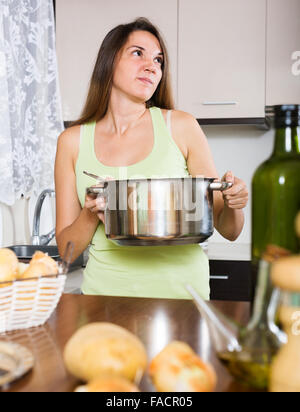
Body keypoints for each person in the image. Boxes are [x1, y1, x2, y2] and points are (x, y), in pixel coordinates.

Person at [55, 18, 248, 299]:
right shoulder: (72, 142)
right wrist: (90, 214)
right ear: (109, 61)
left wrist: (234, 203)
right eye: (138, 53)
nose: (152, 66)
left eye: (158, 60)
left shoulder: (181, 126)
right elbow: (66, 250)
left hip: (183, 297)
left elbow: (229, 230)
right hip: (103, 297)